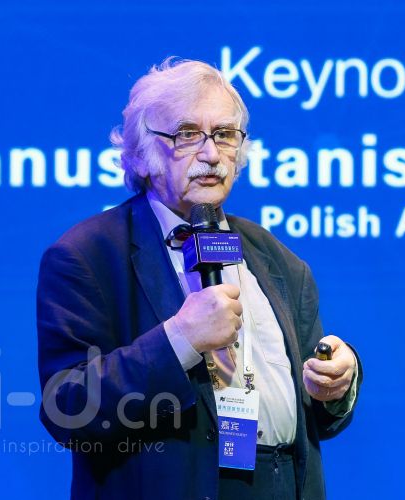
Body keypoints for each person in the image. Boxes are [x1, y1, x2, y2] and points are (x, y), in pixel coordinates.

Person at [36, 57, 362, 500]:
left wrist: (336, 383)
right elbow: (67, 407)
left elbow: (316, 414)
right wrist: (181, 339)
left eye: (225, 134)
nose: (211, 154)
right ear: (142, 154)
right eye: (187, 134)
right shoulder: (87, 255)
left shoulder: (278, 260)